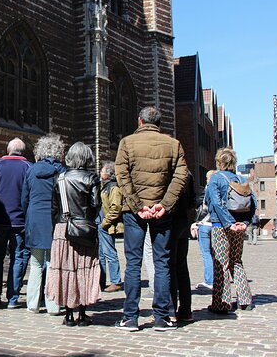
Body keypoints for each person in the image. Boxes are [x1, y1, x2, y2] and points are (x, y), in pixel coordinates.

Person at [114, 106, 188, 332]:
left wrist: (137, 206)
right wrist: (164, 205)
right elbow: (181, 176)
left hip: (135, 213)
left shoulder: (126, 143)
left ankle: (130, 318)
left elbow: (121, 175)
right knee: (163, 263)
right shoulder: (173, 144)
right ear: (159, 123)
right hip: (161, 213)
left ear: (139, 121)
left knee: (133, 263)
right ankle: (162, 318)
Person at [46, 142, 101, 327]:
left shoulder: (60, 178)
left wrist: (60, 225)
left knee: (65, 269)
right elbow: (95, 206)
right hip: (84, 227)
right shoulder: (92, 178)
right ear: (88, 157)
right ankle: (82, 314)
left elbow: (54, 208)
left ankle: (68, 314)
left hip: (63, 228)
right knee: (83, 269)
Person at [206, 148, 256, 314]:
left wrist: (228, 223)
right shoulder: (240, 178)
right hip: (239, 226)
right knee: (236, 260)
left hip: (221, 226)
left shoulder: (215, 178)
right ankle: (245, 300)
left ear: (219, 162)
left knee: (221, 263)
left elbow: (216, 203)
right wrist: (245, 223)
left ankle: (222, 303)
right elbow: (253, 202)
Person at [21, 134, 65, 315]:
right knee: (53, 263)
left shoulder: (31, 170)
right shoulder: (61, 171)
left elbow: (24, 197)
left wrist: (28, 215)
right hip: (54, 219)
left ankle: (32, 304)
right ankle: (53, 305)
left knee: (36, 263)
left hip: (35, 218)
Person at [0, 138, 32, 308]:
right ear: (23, 152)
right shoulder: (29, 167)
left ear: (8, 150)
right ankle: (12, 297)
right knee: (18, 257)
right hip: (20, 222)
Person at [169, 172, 195, 322]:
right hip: (183, 222)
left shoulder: (170, 171)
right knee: (182, 268)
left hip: (169, 222)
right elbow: (192, 201)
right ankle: (186, 310)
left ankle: (170, 310)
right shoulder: (188, 174)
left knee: (169, 267)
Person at [98, 161, 123, 292]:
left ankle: (116, 281)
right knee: (100, 254)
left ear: (108, 174)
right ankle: (100, 281)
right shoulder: (105, 186)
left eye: (102, 170)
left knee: (110, 253)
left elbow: (116, 208)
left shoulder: (114, 188)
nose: (100, 172)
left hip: (107, 225)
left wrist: (104, 223)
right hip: (102, 224)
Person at [191, 170, 216, 290]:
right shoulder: (221, 188)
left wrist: (196, 223)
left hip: (205, 225)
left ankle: (209, 280)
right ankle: (218, 278)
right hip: (216, 225)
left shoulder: (207, 189)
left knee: (206, 254)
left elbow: (201, 205)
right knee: (215, 253)